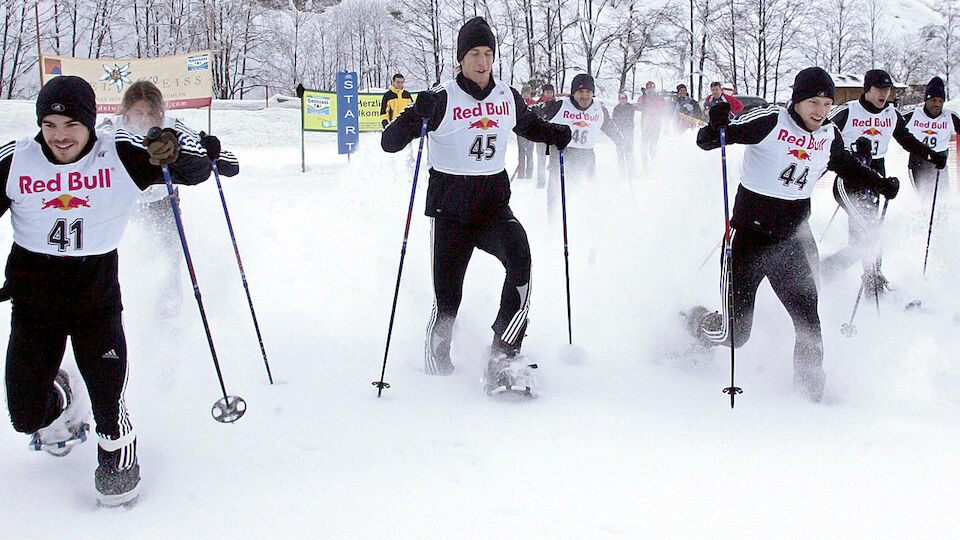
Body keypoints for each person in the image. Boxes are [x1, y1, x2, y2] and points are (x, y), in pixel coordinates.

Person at [2, 75, 216, 505]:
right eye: (49, 125)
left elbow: (195, 170)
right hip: (34, 299)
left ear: (88, 122)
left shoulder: (116, 150)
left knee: (108, 397)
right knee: (25, 415)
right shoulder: (17, 159)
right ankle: (62, 396)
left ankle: (118, 457)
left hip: (94, 298)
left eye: (70, 126)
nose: (60, 137)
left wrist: (176, 150)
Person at [380, 17, 571, 396]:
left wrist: (556, 134)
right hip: (449, 211)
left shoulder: (506, 95)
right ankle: (437, 366)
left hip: (492, 206)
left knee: (521, 258)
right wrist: (417, 113)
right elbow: (389, 142)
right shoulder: (442, 98)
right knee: (448, 300)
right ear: (460, 58)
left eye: (488, 54)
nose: (482, 62)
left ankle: (504, 350)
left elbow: (529, 125)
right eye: (474, 54)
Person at [686, 68, 900, 402]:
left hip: (793, 242)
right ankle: (694, 325)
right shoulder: (771, 121)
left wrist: (879, 183)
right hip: (748, 241)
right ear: (797, 100)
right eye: (814, 101)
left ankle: (810, 393)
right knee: (735, 334)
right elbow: (711, 140)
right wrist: (717, 121)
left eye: (827, 103)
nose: (821, 110)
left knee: (808, 322)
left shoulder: (828, 135)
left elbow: (846, 165)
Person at [98, 81, 240, 319]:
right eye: (138, 113)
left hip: (163, 204)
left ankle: (168, 315)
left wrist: (215, 152)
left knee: (168, 260)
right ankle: (124, 313)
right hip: (123, 206)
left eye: (151, 113)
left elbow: (222, 158)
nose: (145, 119)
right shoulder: (111, 128)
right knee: (124, 260)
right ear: (127, 110)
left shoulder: (171, 127)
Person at [822, 69, 940, 289]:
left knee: (866, 235)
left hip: (878, 177)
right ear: (867, 89)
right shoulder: (848, 111)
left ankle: (836, 269)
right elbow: (820, 133)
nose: (884, 94)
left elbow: (907, 140)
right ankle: (870, 278)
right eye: (879, 89)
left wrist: (932, 155)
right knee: (870, 231)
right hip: (850, 178)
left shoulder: (891, 115)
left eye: (888, 89)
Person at [533, 73, 621, 216]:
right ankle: (553, 229)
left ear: (593, 93)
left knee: (586, 197)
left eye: (588, 92)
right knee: (557, 200)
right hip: (562, 157)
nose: (585, 96)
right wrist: (547, 133)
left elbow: (610, 127)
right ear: (573, 93)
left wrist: (622, 142)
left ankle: (587, 227)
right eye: (580, 92)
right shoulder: (559, 106)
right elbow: (533, 116)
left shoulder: (599, 109)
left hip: (586, 158)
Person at [903, 76, 956, 203]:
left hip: (940, 164)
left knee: (943, 200)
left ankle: (942, 222)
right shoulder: (914, 115)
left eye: (940, 101)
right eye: (933, 100)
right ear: (926, 100)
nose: (937, 104)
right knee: (926, 200)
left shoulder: (949, 116)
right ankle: (921, 221)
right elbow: (889, 124)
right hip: (918, 164)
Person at [637, 81, 666, 168]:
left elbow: (662, 107)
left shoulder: (659, 98)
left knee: (653, 146)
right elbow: (639, 107)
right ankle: (645, 165)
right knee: (643, 147)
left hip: (656, 125)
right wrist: (644, 96)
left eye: (652, 88)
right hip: (645, 125)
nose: (651, 89)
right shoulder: (642, 98)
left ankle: (653, 164)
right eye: (649, 88)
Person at [534, 83, 557, 187]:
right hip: (541, 136)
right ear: (543, 92)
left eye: (551, 92)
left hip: (553, 136)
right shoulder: (538, 104)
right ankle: (541, 181)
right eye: (547, 92)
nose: (549, 94)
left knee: (554, 159)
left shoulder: (556, 104)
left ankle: (553, 181)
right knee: (541, 159)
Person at [612, 92, 637, 178]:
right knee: (620, 153)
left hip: (628, 131)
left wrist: (624, 127)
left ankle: (632, 172)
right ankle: (622, 173)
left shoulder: (630, 107)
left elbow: (629, 118)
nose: (622, 100)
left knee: (629, 152)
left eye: (624, 98)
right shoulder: (616, 108)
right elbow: (614, 120)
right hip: (619, 132)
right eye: (621, 99)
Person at [515, 86, 537, 179]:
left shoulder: (534, 104)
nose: (525, 95)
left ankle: (529, 173)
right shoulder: (519, 103)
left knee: (529, 153)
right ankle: (520, 173)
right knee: (521, 152)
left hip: (531, 132)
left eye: (527, 93)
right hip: (521, 131)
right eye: (524, 93)